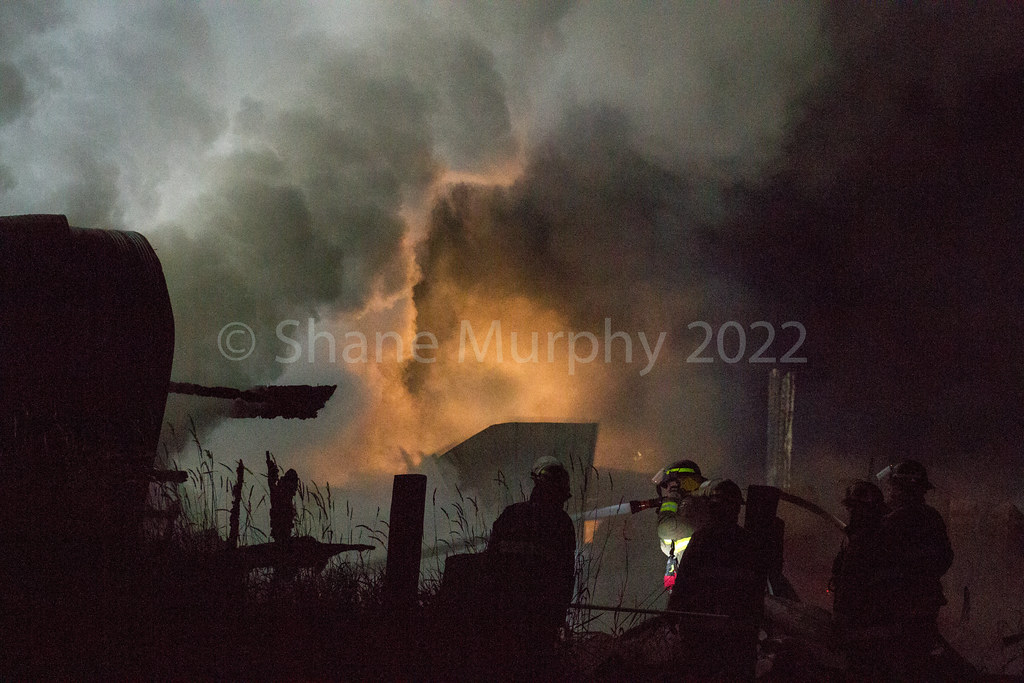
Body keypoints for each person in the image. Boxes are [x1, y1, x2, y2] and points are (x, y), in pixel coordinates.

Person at [485, 456, 576, 679]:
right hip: (540, 622)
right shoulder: (562, 524)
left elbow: (489, 565)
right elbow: (565, 578)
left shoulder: (510, 515)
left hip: (503, 617)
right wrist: (557, 617)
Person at [668, 479, 764, 681]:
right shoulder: (749, 543)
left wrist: (672, 614)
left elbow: (683, 583)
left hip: (701, 633)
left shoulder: (701, 539)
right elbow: (756, 592)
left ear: (713, 507)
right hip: (736, 634)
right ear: (737, 509)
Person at [877, 460, 954, 680]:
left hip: (897, 604)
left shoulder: (891, 521)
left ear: (903, 489)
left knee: (898, 660)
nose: (890, 492)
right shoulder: (932, 517)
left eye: (893, 487)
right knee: (922, 655)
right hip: (926, 601)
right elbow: (946, 558)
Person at [830, 480, 889, 678]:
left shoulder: (865, 543)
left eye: (856, 508)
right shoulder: (869, 539)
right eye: (850, 508)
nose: (851, 513)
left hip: (863, 629)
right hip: (871, 630)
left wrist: (840, 621)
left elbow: (851, 584)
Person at [652, 460, 705, 590]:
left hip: (696, 584)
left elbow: (665, 528)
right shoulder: (687, 506)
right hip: (687, 581)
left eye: (671, 486)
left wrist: (671, 500)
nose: (668, 491)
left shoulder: (694, 505)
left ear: (681, 483)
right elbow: (667, 545)